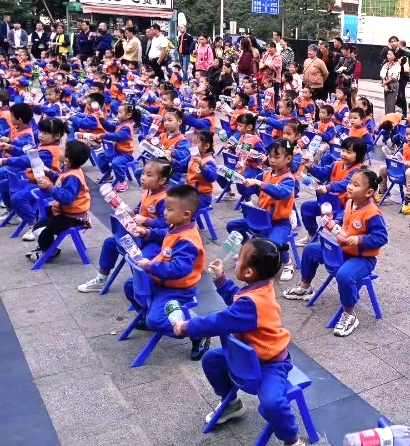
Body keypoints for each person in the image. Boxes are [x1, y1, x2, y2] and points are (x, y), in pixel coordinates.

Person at [172, 239, 306, 446]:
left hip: (271, 364)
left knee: (273, 404)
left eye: (239, 259)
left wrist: (186, 327)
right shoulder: (255, 289)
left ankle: (292, 440)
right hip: (248, 356)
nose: (235, 261)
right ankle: (232, 404)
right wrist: (222, 281)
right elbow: (237, 300)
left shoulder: (254, 301)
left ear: (249, 272)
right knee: (212, 360)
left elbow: (219, 321)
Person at [284, 170, 388, 338]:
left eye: (356, 185)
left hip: (363, 258)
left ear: (369, 192)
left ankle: (349, 314)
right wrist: (336, 221)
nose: (350, 187)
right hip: (343, 249)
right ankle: (305, 287)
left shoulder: (373, 213)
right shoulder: (350, 202)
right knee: (311, 250)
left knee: (344, 275)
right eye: (350, 183)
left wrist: (359, 239)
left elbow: (381, 237)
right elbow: (344, 217)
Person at [125, 185, 210, 360]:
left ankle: (196, 332)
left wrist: (150, 266)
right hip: (162, 282)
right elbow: (165, 233)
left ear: (186, 214)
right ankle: (151, 311)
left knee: (155, 321)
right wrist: (146, 232)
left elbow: (179, 270)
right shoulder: (178, 226)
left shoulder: (188, 241)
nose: (164, 212)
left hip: (178, 290)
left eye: (169, 209)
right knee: (129, 286)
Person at [77, 158, 171, 293]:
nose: (143, 177)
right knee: (110, 242)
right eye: (143, 173)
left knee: (140, 258)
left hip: (154, 240)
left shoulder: (165, 199)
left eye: (149, 175)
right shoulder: (148, 192)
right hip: (138, 233)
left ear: (162, 180)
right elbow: (138, 211)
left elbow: (166, 224)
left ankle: (144, 288)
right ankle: (101, 279)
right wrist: (126, 210)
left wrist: (146, 220)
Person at [232, 139, 297, 281]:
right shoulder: (265, 174)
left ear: (288, 159)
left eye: (276, 157)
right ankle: (250, 247)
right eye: (270, 156)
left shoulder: (288, 179)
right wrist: (240, 177)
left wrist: (260, 183)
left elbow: (282, 193)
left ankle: (287, 263)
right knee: (233, 226)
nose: (272, 160)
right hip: (261, 219)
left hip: (280, 222)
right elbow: (246, 191)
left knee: (274, 243)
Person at [26, 140, 92, 262]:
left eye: (62, 149)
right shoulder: (70, 171)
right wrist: (49, 172)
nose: (60, 149)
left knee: (41, 230)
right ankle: (46, 243)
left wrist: (50, 187)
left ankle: (49, 251)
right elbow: (60, 179)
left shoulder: (73, 176)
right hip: (66, 212)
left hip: (72, 217)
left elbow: (67, 198)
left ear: (66, 160)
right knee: (40, 214)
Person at [296, 137, 366, 245]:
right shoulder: (337, 164)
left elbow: (345, 183)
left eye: (349, 152)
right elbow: (323, 173)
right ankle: (311, 234)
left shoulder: (358, 171)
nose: (344, 154)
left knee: (336, 222)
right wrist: (311, 167)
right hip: (329, 203)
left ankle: (344, 245)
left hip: (346, 207)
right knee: (306, 207)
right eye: (343, 150)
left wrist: (328, 187)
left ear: (359, 155)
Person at [379, 49, 401, 115]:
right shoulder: (386, 64)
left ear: (394, 56)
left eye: (390, 54)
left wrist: (384, 83)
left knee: (391, 103)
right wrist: (385, 85)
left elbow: (394, 77)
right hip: (386, 84)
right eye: (388, 54)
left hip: (393, 84)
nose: (388, 56)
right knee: (387, 103)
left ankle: (390, 119)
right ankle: (387, 117)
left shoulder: (397, 65)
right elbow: (382, 74)